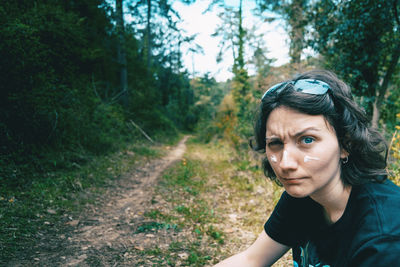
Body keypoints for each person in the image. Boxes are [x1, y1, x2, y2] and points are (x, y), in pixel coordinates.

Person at [214, 70, 400, 266]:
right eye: (275, 143)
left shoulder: (384, 240)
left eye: (307, 140)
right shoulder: (306, 196)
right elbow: (251, 259)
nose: (286, 164)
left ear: (346, 145)